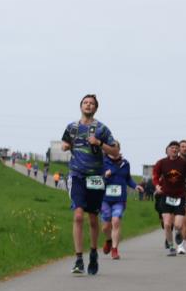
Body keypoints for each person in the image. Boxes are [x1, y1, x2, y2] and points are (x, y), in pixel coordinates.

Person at [60, 94, 118, 275]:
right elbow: (64, 143)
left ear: (95, 108)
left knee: (93, 218)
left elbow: (115, 151)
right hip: (77, 175)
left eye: (91, 103)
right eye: (85, 102)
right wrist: (65, 146)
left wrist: (99, 143)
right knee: (78, 215)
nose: (88, 105)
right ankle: (78, 259)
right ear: (81, 106)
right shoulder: (72, 127)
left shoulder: (102, 129)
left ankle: (93, 253)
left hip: (95, 177)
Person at [152, 141, 186, 257]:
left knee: (178, 225)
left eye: (176, 148)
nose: (174, 150)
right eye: (172, 148)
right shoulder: (162, 163)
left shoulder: (184, 163)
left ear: (178, 151)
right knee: (167, 224)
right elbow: (155, 175)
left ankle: (178, 233)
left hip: (180, 196)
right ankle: (172, 247)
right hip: (166, 195)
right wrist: (157, 186)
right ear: (168, 149)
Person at [100, 143, 143, 260]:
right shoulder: (102, 162)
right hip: (104, 199)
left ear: (119, 149)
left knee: (116, 221)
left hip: (120, 199)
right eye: (111, 148)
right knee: (105, 227)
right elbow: (97, 179)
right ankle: (109, 240)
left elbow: (128, 178)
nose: (114, 150)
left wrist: (135, 186)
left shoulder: (125, 163)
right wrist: (105, 175)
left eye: (116, 148)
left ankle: (114, 249)